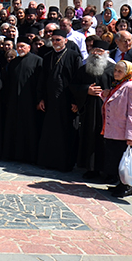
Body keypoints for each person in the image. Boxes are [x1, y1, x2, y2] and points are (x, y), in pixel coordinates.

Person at [37, 29, 81, 171]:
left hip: (67, 101)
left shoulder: (74, 56)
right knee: (50, 131)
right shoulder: (47, 56)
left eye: (58, 40)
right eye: (53, 40)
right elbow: (42, 79)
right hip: (50, 100)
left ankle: (64, 163)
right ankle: (49, 161)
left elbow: (77, 80)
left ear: (65, 41)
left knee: (65, 131)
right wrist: (41, 98)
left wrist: (75, 101)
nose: (55, 42)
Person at [71, 40, 114, 179]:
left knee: (107, 140)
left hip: (107, 111)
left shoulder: (113, 70)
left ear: (106, 53)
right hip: (89, 110)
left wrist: (109, 92)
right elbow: (73, 86)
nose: (96, 53)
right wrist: (86, 90)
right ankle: (91, 169)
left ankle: (108, 171)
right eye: (93, 50)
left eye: (99, 51)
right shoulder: (84, 69)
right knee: (89, 137)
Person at [101, 60, 132, 198]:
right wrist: (105, 95)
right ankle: (120, 184)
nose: (116, 73)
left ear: (128, 72)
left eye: (120, 71)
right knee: (116, 160)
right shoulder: (118, 85)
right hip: (114, 130)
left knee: (124, 162)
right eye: (115, 70)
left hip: (124, 132)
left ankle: (127, 187)